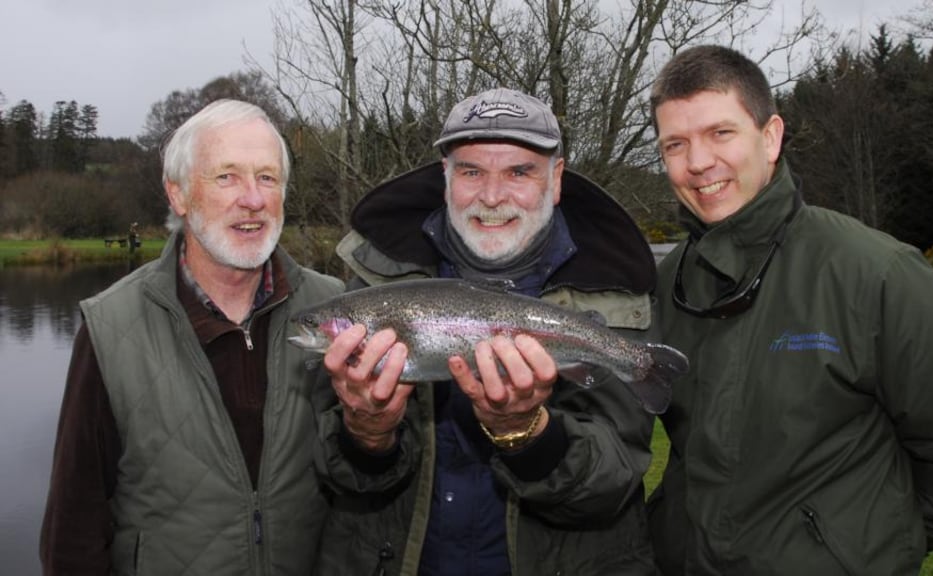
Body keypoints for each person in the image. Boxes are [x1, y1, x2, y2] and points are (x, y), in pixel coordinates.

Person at [645, 45, 933, 575]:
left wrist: (865, 549)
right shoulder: (667, 281)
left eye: (720, 133)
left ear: (770, 137)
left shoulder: (876, 272)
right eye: (675, 144)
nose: (698, 163)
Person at [312, 87, 659, 574]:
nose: (492, 196)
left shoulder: (615, 291)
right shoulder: (375, 282)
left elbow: (614, 484)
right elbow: (336, 475)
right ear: (446, 178)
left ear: (556, 180)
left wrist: (530, 435)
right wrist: (367, 431)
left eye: (519, 172)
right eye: (472, 171)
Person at [39, 99, 345, 575]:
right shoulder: (112, 327)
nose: (253, 199)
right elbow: (73, 533)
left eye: (267, 178)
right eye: (226, 177)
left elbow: (370, 491)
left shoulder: (337, 310)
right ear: (178, 195)